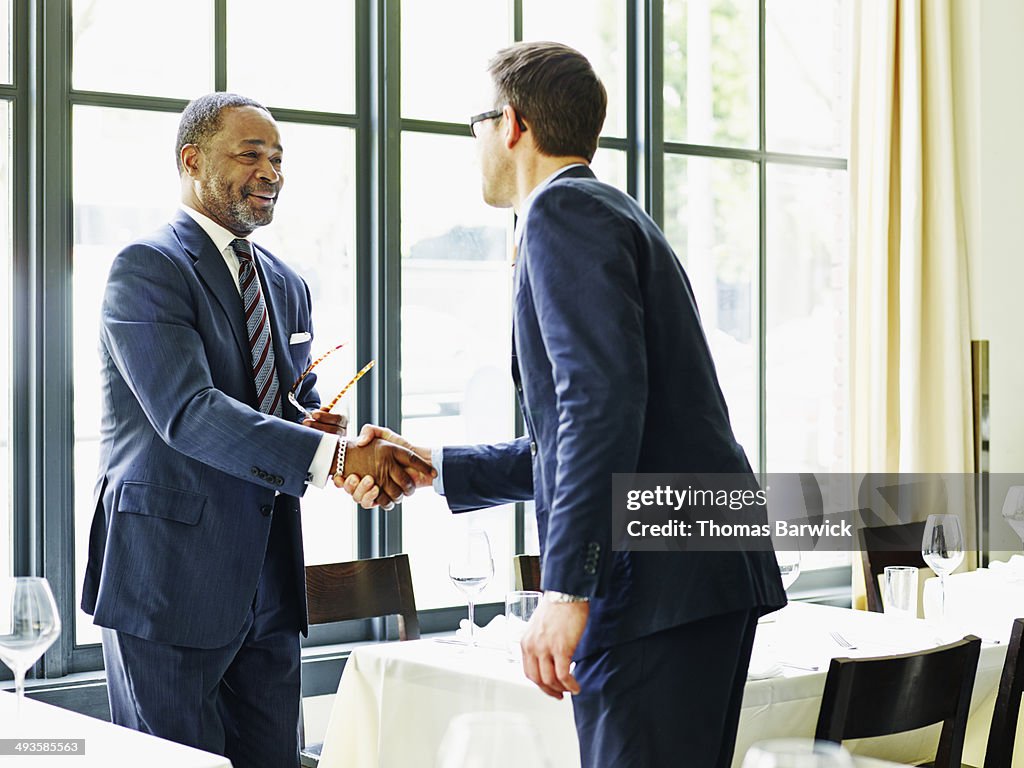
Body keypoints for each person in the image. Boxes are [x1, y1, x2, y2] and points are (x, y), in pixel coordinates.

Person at [341, 43, 787, 768]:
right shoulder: (611, 213)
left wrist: (567, 588)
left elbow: (598, 410)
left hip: (655, 580)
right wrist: (437, 465)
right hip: (696, 566)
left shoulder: (560, 214)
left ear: (511, 123)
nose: (476, 142)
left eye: (477, 123)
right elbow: (600, 422)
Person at [80, 92, 432, 768]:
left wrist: (314, 422)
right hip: (168, 582)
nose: (270, 170)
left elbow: (288, 398)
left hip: (270, 582)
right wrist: (333, 457)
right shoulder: (147, 268)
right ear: (192, 160)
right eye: (250, 154)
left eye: (277, 158)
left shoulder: (287, 282)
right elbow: (188, 413)